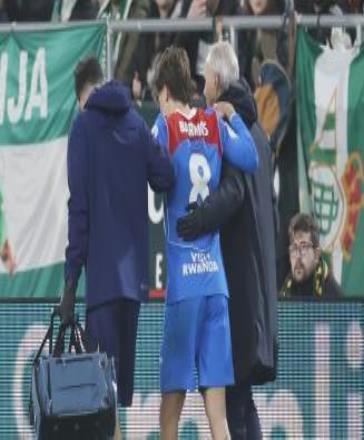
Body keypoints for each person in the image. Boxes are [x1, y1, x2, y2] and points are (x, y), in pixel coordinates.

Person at [58, 55, 174, 439]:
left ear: (83, 96)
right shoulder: (136, 123)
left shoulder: (83, 128)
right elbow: (165, 176)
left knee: (98, 405)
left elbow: (79, 210)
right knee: (111, 404)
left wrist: (70, 281)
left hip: (102, 287)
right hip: (133, 286)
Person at [151, 47, 258, 440]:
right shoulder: (213, 122)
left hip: (184, 287)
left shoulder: (164, 127)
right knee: (219, 416)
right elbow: (250, 158)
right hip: (216, 284)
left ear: (164, 92)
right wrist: (233, 117)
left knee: (170, 413)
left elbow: (147, 169)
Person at [176, 41, 278, 439]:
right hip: (258, 282)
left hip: (237, 280)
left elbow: (232, 193)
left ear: (217, 80)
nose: (202, 88)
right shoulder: (259, 133)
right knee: (242, 398)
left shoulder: (230, 128)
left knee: (233, 400)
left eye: (205, 80)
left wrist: (197, 218)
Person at [280, 213, 343, 299]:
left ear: (316, 255)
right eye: (294, 248)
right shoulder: (284, 289)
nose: (297, 256)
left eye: (303, 247)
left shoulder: (332, 296)